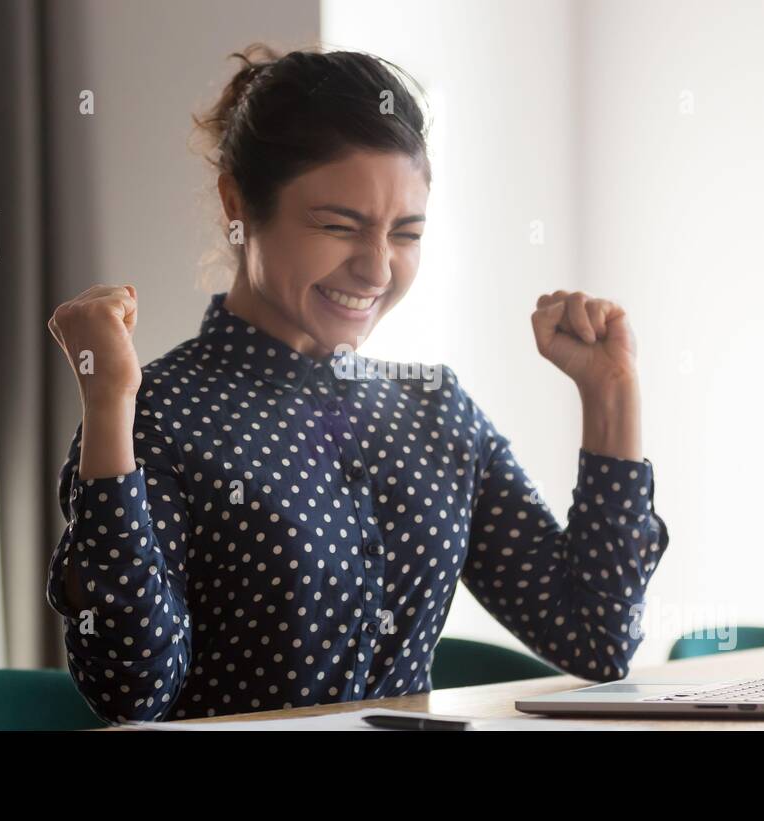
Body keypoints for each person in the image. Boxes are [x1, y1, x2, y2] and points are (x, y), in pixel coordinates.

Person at [45, 44, 670, 723]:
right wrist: (107, 402)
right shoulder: (158, 415)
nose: (377, 269)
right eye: (339, 226)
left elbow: (597, 636)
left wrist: (611, 395)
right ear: (238, 205)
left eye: (406, 233)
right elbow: (131, 689)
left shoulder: (436, 410)